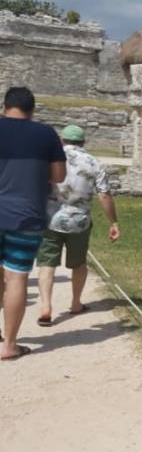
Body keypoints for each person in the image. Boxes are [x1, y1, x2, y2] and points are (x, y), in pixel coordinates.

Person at [0, 86, 66, 360]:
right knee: (16, 276)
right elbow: (59, 176)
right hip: (26, 215)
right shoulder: (46, 134)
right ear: (32, 110)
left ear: (4, 107)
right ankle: (9, 345)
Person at [36, 124, 120, 325]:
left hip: (50, 218)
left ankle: (45, 306)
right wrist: (114, 222)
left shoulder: (50, 158)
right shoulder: (93, 162)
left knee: (47, 262)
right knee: (79, 263)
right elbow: (104, 195)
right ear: (83, 142)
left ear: (62, 140)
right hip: (79, 221)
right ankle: (75, 303)